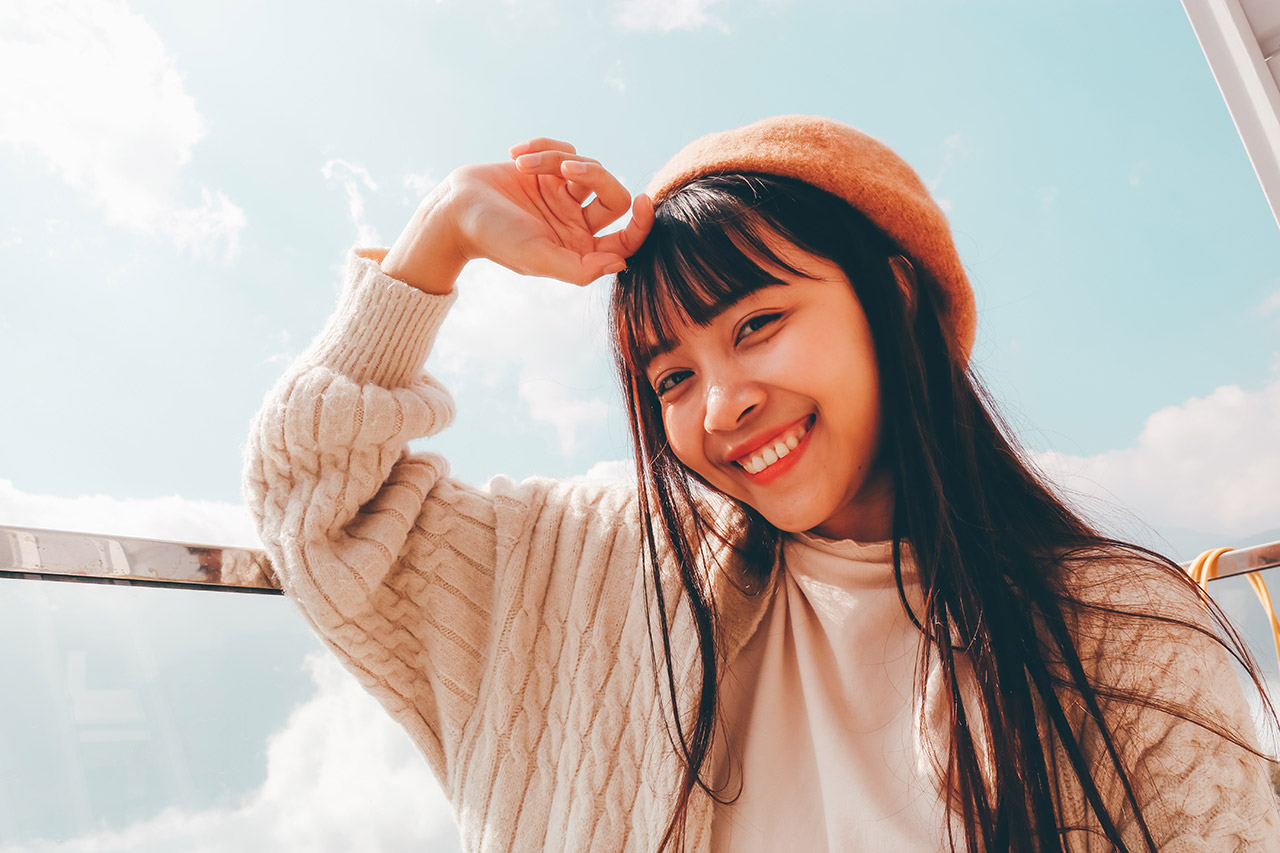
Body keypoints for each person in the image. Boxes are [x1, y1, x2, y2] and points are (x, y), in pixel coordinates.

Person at [243, 115, 1280, 851]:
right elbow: (321, 507)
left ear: (893, 294)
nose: (721, 403)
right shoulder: (604, 570)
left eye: (756, 324)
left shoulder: (1119, 627)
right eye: (670, 377)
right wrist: (443, 233)